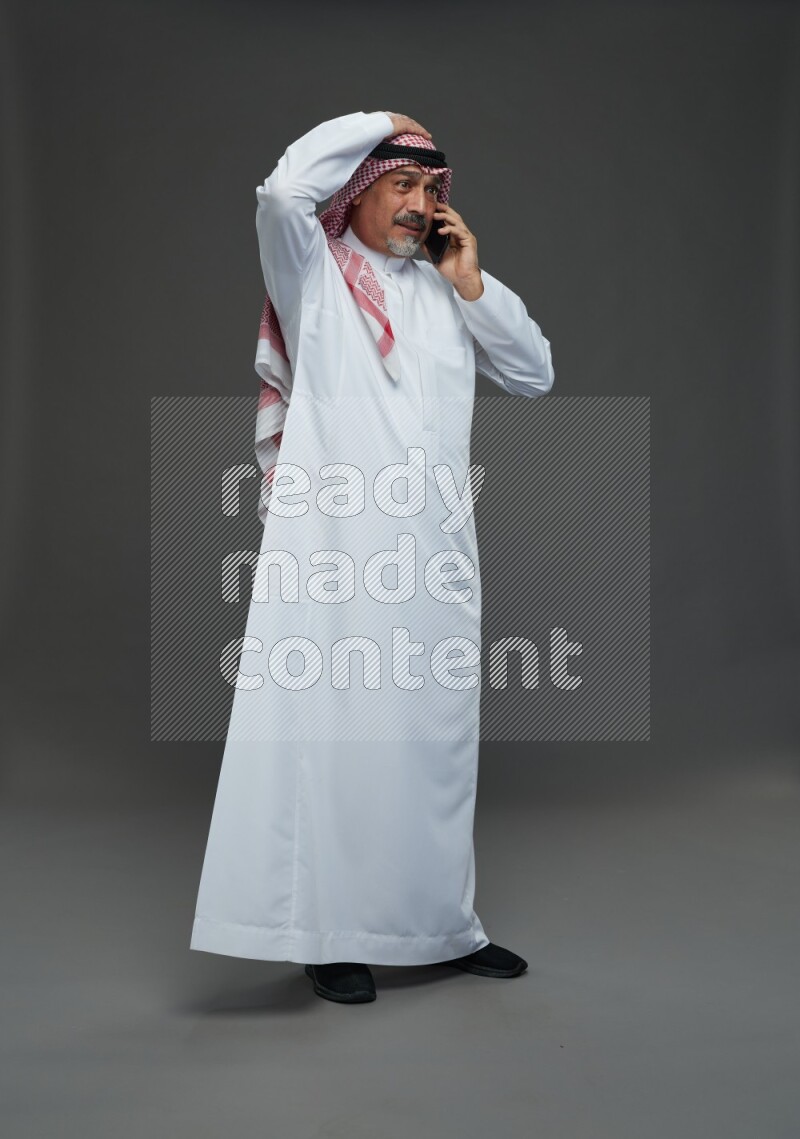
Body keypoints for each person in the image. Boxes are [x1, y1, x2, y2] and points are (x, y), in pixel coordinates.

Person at [190, 110, 555, 1004]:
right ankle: (327, 931)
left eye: (431, 189)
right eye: (399, 184)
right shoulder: (313, 273)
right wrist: (375, 122)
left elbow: (536, 371)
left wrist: (472, 284)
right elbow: (282, 191)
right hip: (336, 552)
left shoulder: (443, 288)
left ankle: (442, 924)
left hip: (432, 555)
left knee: (431, 744)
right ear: (354, 191)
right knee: (339, 740)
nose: (418, 205)